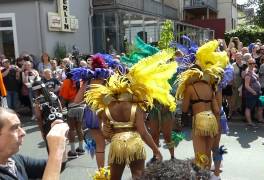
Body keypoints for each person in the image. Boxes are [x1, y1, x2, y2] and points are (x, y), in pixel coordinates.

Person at [85, 50, 176, 179]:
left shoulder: (107, 105)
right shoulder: (136, 106)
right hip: (135, 143)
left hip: (117, 144)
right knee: (138, 176)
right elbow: (143, 132)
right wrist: (156, 151)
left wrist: (107, 131)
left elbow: (105, 133)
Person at [176, 40, 228, 180]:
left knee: (200, 155)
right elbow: (217, 109)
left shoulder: (190, 88)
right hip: (212, 120)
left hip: (199, 120)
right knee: (208, 153)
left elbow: (185, 108)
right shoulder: (210, 87)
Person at [0, 107, 69, 180]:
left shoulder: (15, 160)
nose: (23, 132)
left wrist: (61, 142)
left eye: (20, 126)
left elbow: (58, 166)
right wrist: (56, 151)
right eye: (14, 128)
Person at [244, 58, 264, 126]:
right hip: (251, 93)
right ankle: (249, 122)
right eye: (250, 63)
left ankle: (260, 119)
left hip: (258, 93)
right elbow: (246, 85)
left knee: (260, 106)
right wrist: (253, 92)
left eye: (253, 63)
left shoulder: (253, 71)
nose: (252, 65)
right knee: (249, 108)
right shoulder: (248, 73)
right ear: (247, 64)